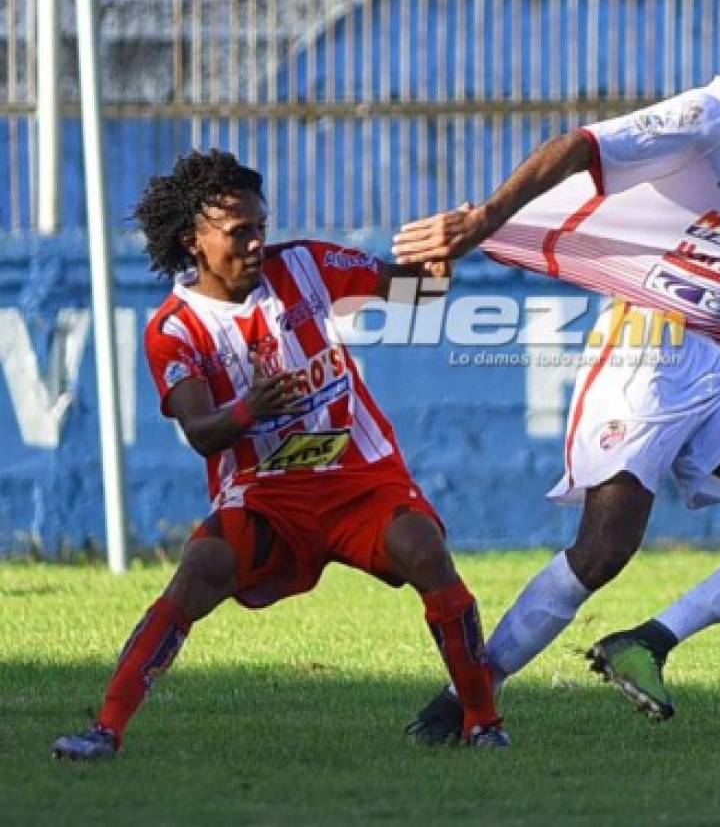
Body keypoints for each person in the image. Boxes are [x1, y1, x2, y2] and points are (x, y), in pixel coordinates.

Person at [394, 5, 720, 737]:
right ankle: (467, 700)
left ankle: (649, 642)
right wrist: (487, 219)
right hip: (648, 354)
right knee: (603, 551)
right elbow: (582, 147)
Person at [52, 149, 508, 760]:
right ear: (194, 239)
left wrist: (448, 247)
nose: (256, 243)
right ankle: (105, 730)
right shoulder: (175, 329)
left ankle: (483, 723)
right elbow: (200, 431)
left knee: (424, 550)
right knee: (201, 569)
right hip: (266, 495)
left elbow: (418, 293)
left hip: (358, 479)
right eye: (240, 232)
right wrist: (249, 409)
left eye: (261, 227)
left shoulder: (306, 266)